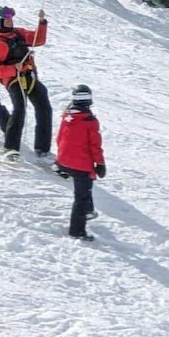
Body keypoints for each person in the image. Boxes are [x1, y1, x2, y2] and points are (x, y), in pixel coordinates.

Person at [0, 5, 52, 161]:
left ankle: (42, 148)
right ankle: (10, 148)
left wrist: (42, 22)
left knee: (44, 107)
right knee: (19, 109)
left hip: (29, 76)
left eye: (11, 19)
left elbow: (37, 39)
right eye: (7, 19)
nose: (10, 21)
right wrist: (13, 69)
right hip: (14, 79)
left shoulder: (18, 33)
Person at [55, 84, 106, 242]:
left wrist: (62, 156)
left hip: (64, 160)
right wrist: (100, 164)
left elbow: (59, 138)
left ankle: (88, 211)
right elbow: (95, 146)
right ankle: (77, 231)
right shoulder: (89, 121)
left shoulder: (67, 117)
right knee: (81, 197)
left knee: (85, 186)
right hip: (81, 164)